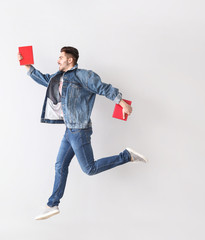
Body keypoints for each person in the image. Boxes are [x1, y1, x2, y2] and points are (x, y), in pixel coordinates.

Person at [18, 46, 148, 220]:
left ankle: (126, 156)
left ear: (70, 60)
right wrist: (27, 66)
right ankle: (52, 204)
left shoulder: (83, 75)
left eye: (60, 57)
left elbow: (103, 88)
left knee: (89, 169)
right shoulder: (59, 78)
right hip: (69, 130)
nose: (58, 60)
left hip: (80, 130)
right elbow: (45, 80)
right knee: (60, 166)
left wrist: (122, 103)